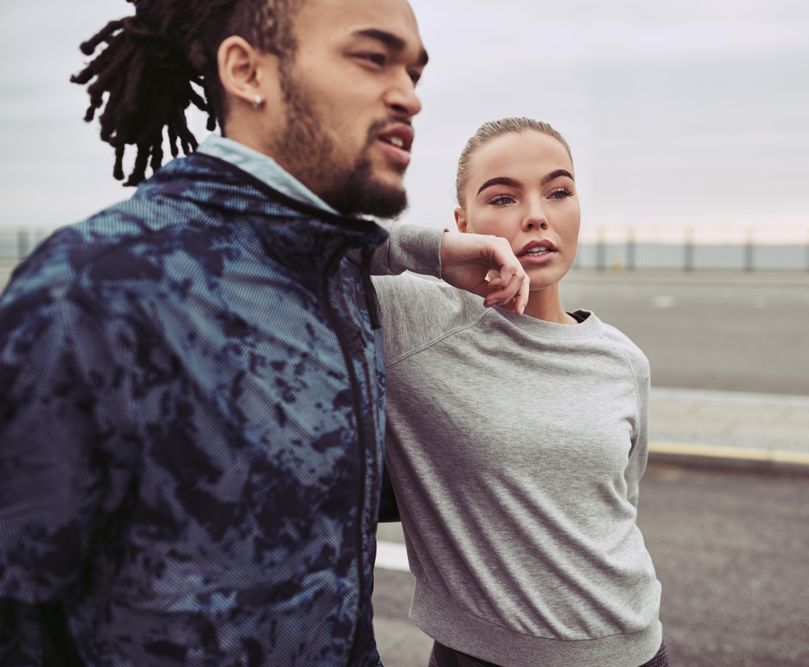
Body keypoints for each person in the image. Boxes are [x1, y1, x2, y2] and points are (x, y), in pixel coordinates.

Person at [0, 1, 528, 664]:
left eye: (414, 73)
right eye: (372, 58)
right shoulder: (94, 292)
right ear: (247, 71)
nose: (409, 97)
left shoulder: (336, 275)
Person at [373, 117, 668, 667]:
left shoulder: (624, 361)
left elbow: (620, 506)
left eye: (559, 192)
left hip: (637, 650)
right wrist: (433, 252)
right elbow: (286, 246)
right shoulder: (414, 321)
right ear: (462, 222)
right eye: (504, 197)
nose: (537, 214)